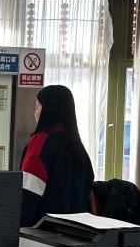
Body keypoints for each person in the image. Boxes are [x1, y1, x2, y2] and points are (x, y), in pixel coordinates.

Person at [20, 85, 94, 227]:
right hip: (75, 233)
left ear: (48, 110)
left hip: (42, 233)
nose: (35, 114)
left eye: (37, 108)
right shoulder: (78, 148)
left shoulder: (41, 142)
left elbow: (28, 194)